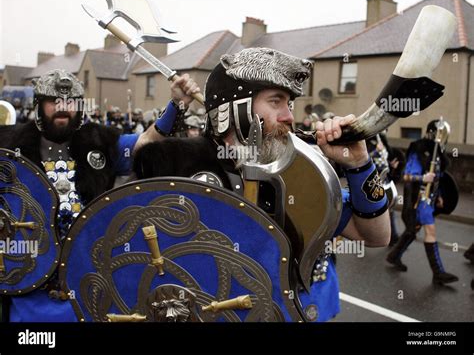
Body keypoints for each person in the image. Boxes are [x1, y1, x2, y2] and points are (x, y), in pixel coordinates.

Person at [134, 47, 390, 322]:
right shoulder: (181, 161)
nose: (289, 116)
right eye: (276, 101)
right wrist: (175, 106)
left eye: (289, 104)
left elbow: (376, 236)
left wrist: (359, 163)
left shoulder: (299, 172)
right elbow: (139, 164)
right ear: (237, 105)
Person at [0, 68, 200, 321]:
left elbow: (145, 142)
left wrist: (176, 105)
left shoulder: (101, 142)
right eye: (54, 101)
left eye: (70, 101)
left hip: (89, 278)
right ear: (39, 105)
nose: (63, 108)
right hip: (29, 285)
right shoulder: (9, 147)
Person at [386, 120, 458, 285]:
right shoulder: (419, 150)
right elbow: (407, 177)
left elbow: (437, 179)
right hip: (419, 200)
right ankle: (438, 272)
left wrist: (439, 195)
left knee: (412, 230)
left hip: (430, 199)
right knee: (429, 231)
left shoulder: (437, 154)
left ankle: (394, 255)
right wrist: (423, 178)